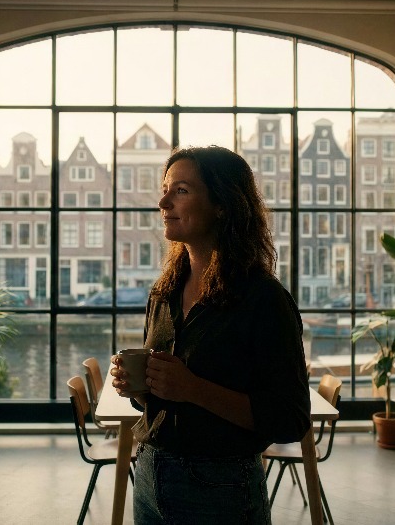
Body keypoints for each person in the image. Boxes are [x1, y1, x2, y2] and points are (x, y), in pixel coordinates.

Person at [111, 145, 311, 524]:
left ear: (223, 204)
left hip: (220, 488)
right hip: (150, 474)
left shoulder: (263, 299)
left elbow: (290, 419)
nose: (163, 201)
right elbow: (158, 403)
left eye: (181, 190)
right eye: (166, 188)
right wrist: (140, 389)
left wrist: (192, 388)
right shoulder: (164, 291)